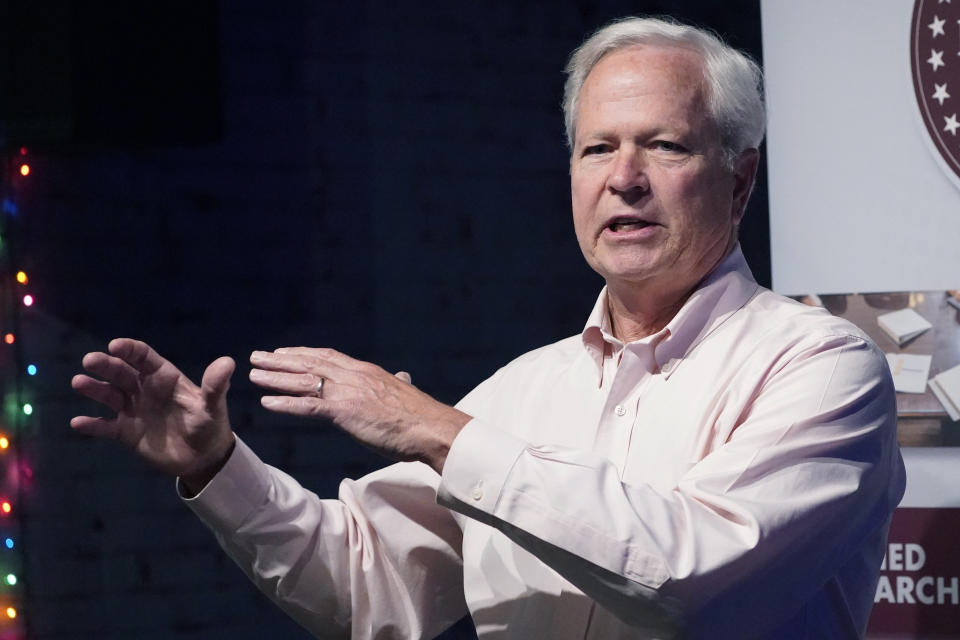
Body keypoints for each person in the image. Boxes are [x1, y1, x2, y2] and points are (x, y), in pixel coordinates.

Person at [71, 16, 905, 639]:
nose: (624, 180)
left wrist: (434, 429)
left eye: (664, 147)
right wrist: (218, 466)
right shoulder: (527, 389)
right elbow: (365, 588)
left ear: (740, 179)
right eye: (595, 150)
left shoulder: (825, 367)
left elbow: (689, 577)